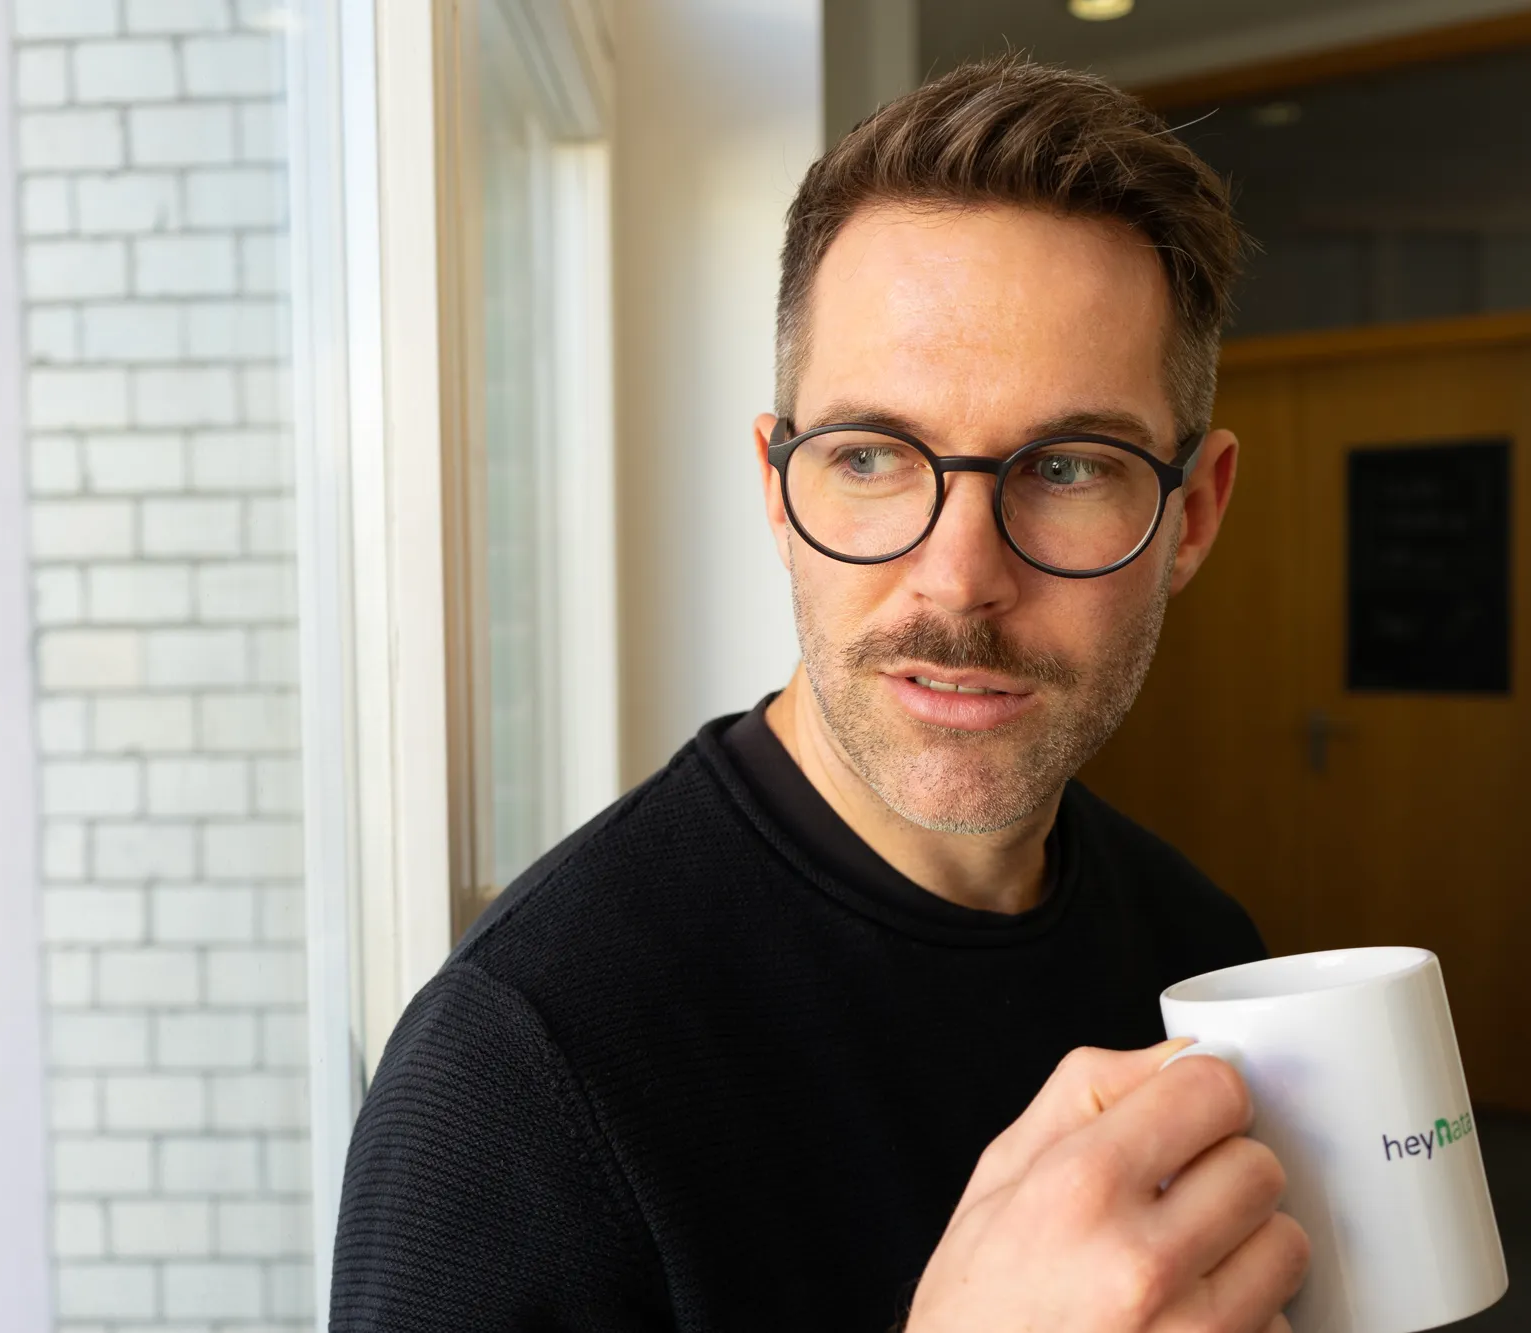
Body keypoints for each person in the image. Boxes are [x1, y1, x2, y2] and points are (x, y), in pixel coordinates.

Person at [331, 53, 1310, 1333]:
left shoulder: (1202, 954)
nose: (958, 581)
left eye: (1067, 466)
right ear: (775, 489)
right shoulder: (523, 1067)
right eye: (868, 457)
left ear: (1193, 515)